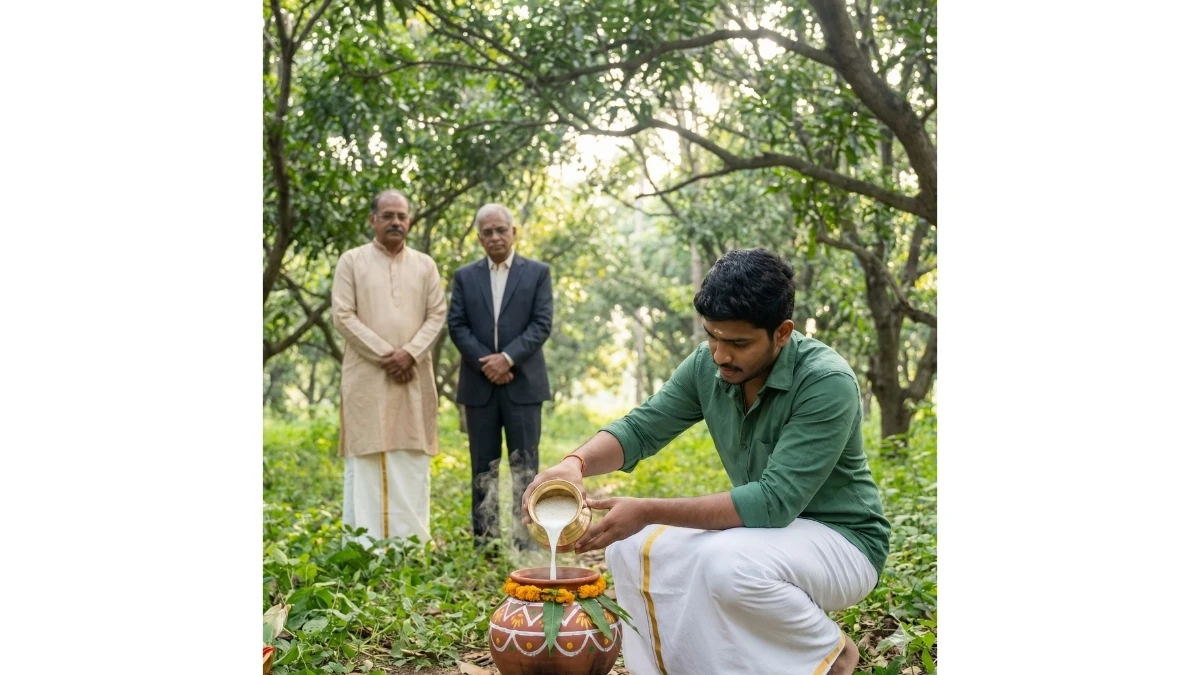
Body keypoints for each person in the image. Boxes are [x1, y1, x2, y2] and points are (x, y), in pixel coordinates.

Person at [521, 248, 889, 675]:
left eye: (738, 343)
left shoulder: (826, 381)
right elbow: (643, 428)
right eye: (712, 336)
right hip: (762, 537)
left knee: (725, 563)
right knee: (629, 548)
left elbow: (773, 503)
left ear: (783, 332)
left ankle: (826, 651)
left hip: (843, 542)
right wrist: (575, 464)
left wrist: (647, 510)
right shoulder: (708, 366)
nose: (720, 355)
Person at [331, 189, 447, 545]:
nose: (396, 222)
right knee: (366, 459)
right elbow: (343, 315)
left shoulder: (425, 265)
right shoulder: (350, 261)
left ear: (410, 221)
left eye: (402, 216)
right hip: (367, 378)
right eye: (388, 216)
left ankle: (410, 544)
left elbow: (437, 313)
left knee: (410, 458)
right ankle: (365, 546)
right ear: (373, 220)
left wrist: (409, 354)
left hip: (412, 379)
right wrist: (388, 354)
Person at [448, 204, 553, 551]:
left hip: (523, 384)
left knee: (526, 464)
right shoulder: (465, 276)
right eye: (487, 232)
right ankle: (485, 542)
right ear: (479, 238)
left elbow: (542, 323)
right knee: (483, 465)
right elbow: (457, 325)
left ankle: (527, 541)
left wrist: (507, 359)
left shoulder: (537, 273)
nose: (495, 237)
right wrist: (487, 364)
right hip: (479, 387)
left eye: (500, 230)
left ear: (513, 232)